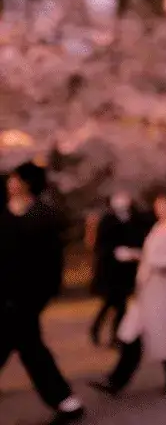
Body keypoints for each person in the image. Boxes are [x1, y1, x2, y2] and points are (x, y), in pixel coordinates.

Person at [90, 188, 166, 397]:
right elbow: (151, 253)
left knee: (165, 331)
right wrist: (137, 256)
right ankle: (116, 379)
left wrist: (141, 258)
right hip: (149, 288)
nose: (157, 208)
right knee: (132, 330)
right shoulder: (159, 226)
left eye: (162, 203)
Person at [0, 163, 86, 424]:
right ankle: (67, 402)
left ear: (27, 183)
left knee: (27, 348)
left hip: (27, 296)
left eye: (16, 178)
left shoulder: (43, 216)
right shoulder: (2, 214)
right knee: (30, 349)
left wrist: (41, 296)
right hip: (2, 294)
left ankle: (67, 401)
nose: (10, 182)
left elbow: (51, 262)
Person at [89, 191, 147, 348]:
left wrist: (135, 252)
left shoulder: (134, 219)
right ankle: (101, 331)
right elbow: (101, 245)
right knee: (112, 303)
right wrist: (116, 251)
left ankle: (112, 335)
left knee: (119, 305)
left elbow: (140, 237)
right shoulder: (107, 220)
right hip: (110, 271)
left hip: (127, 271)